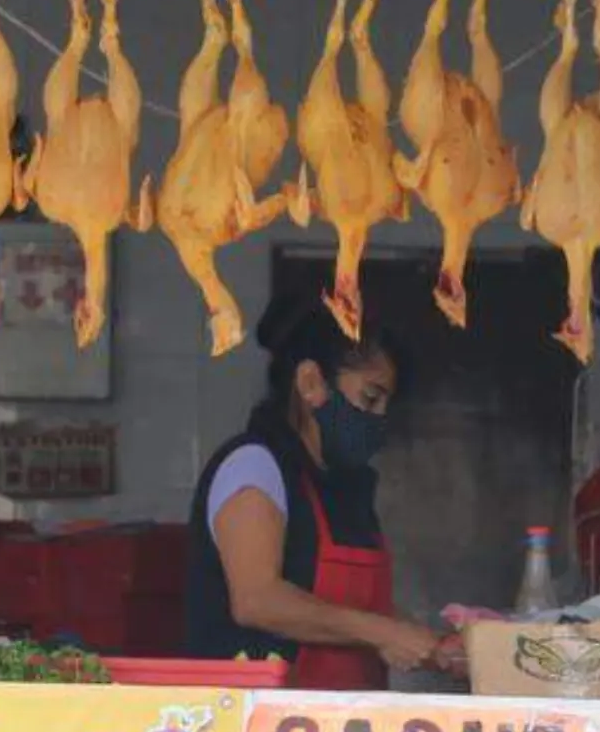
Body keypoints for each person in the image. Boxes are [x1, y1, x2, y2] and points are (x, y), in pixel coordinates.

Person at [185, 290, 455, 689]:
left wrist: (436, 648)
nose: (379, 420)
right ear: (311, 382)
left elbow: (358, 610)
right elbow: (257, 600)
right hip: (256, 728)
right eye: (370, 398)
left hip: (341, 727)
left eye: (385, 406)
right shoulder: (254, 466)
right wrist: (383, 633)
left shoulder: (344, 485)